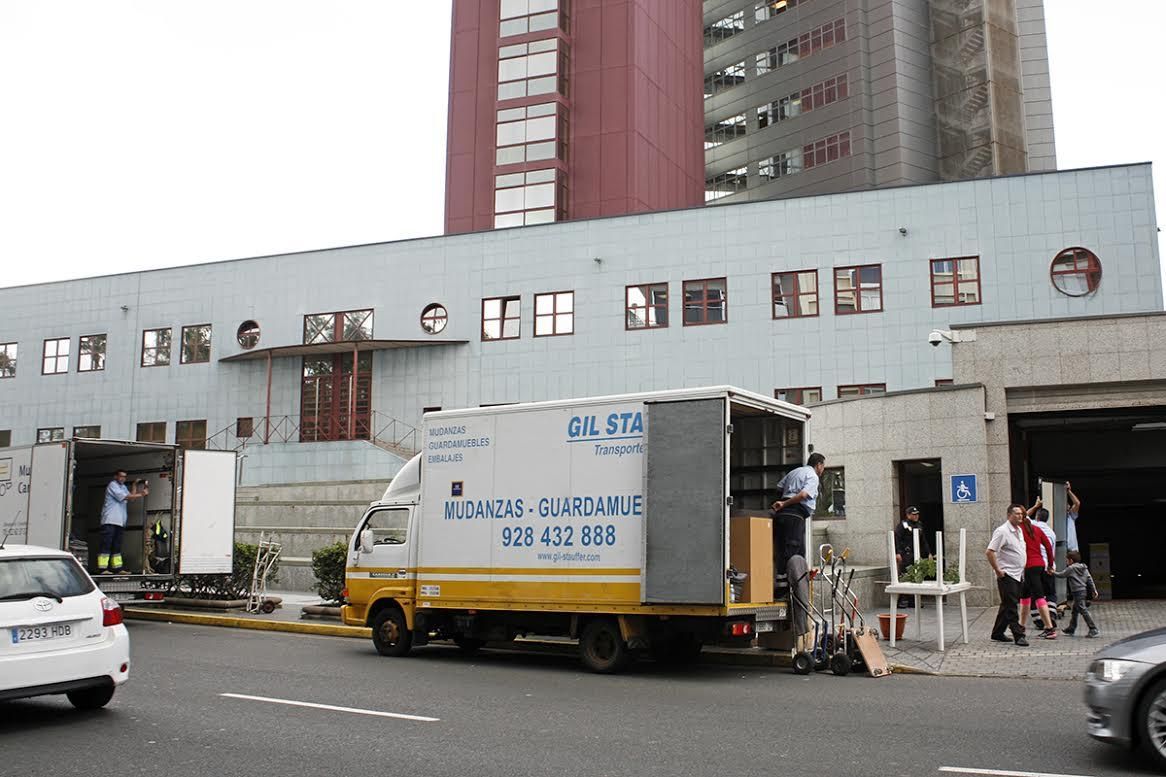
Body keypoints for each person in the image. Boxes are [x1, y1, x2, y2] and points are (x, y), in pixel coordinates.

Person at [770, 452, 826, 574]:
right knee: (794, 551)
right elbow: (803, 495)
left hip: (782, 514)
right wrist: (785, 503)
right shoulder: (813, 476)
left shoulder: (794, 472)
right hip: (795, 514)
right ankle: (792, 580)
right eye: (823, 466)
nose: (823, 470)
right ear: (819, 465)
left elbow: (779, 487)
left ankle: (779, 577)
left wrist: (783, 501)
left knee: (780, 547)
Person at [987, 504, 1029, 646]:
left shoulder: (1019, 530)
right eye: (1017, 514)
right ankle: (1018, 635)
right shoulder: (1002, 531)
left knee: (1007, 603)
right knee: (1011, 605)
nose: (1020, 516)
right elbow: (990, 551)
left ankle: (997, 632)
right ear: (1009, 515)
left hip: (1018, 574)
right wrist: (998, 570)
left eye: (1022, 514)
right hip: (1007, 574)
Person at [98, 470, 148, 574]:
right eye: (121, 476)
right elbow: (126, 497)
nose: (123, 478)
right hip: (110, 521)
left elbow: (131, 498)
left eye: (125, 477)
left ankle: (117, 568)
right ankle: (103, 569)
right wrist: (142, 494)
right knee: (106, 545)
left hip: (119, 522)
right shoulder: (112, 485)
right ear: (115, 476)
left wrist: (134, 486)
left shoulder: (123, 487)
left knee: (117, 546)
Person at [1017, 511, 1057, 639]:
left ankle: (1049, 628)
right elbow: (1048, 547)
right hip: (1040, 565)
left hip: (1029, 567)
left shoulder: (1018, 531)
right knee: (1025, 596)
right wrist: (1050, 564)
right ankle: (1021, 626)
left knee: (1039, 596)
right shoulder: (1037, 529)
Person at [1053, 550, 1099, 637]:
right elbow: (1089, 579)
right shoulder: (1084, 568)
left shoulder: (1071, 568)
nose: (1066, 562)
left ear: (1071, 560)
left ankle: (1093, 628)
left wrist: (1053, 572)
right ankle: (1072, 627)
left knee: (1083, 610)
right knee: (1075, 610)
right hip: (1083, 591)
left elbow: (1062, 575)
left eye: (1067, 560)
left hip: (1077, 592)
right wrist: (1094, 590)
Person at [894, 506, 932, 608]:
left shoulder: (919, 525)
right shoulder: (903, 525)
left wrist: (928, 553)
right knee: (905, 575)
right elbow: (897, 539)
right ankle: (902, 600)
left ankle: (913, 600)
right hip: (906, 554)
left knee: (916, 576)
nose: (916, 516)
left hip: (916, 554)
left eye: (917, 514)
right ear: (908, 515)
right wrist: (897, 553)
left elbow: (923, 540)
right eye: (913, 514)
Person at [1027, 499, 1058, 624]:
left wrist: (1035, 506)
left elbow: (1024, 515)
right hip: (1048, 566)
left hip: (1035, 565)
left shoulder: (1033, 526)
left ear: (1037, 517)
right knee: (1050, 592)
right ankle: (1051, 615)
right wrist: (1051, 565)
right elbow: (1051, 551)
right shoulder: (1052, 533)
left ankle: (1038, 619)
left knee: (1035, 592)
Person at [1065, 481, 1082, 553]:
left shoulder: (1071, 516)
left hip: (1073, 550)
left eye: (1068, 504)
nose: (1068, 506)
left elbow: (1077, 503)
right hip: (1061, 550)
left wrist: (1068, 491)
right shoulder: (1056, 517)